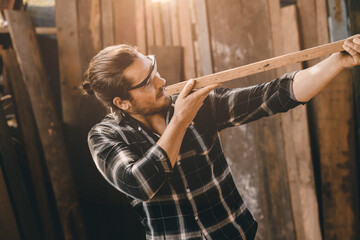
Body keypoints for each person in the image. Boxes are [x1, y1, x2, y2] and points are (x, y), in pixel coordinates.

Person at [83, 35, 360, 240]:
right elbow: (140, 184)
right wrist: (180, 121)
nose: (162, 81)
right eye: (147, 82)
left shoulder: (201, 104)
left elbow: (276, 95)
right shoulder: (105, 136)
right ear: (122, 103)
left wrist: (337, 61)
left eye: (153, 69)